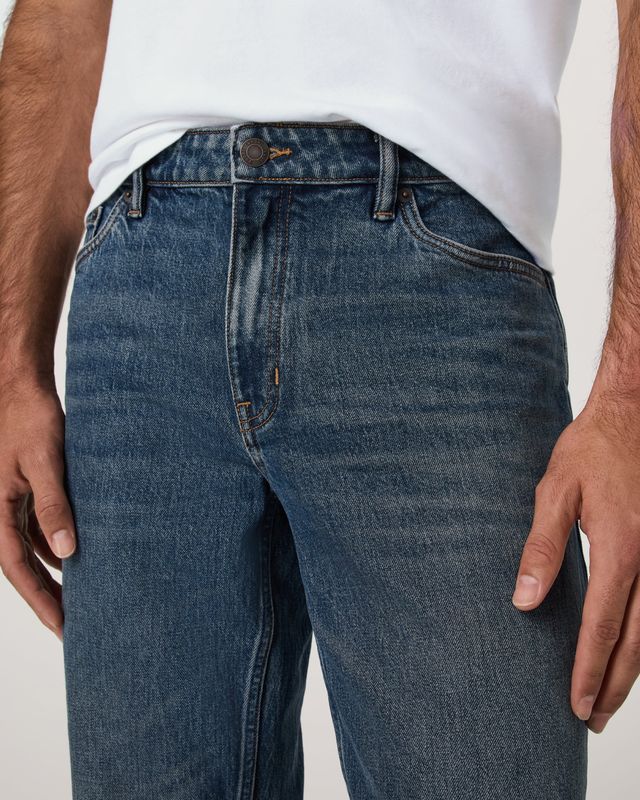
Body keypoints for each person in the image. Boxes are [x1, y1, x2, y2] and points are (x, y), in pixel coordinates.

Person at [0, 0, 638, 797]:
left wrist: (629, 401)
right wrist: (10, 366)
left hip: (436, 262)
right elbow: (61, 17)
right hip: (141, 262)